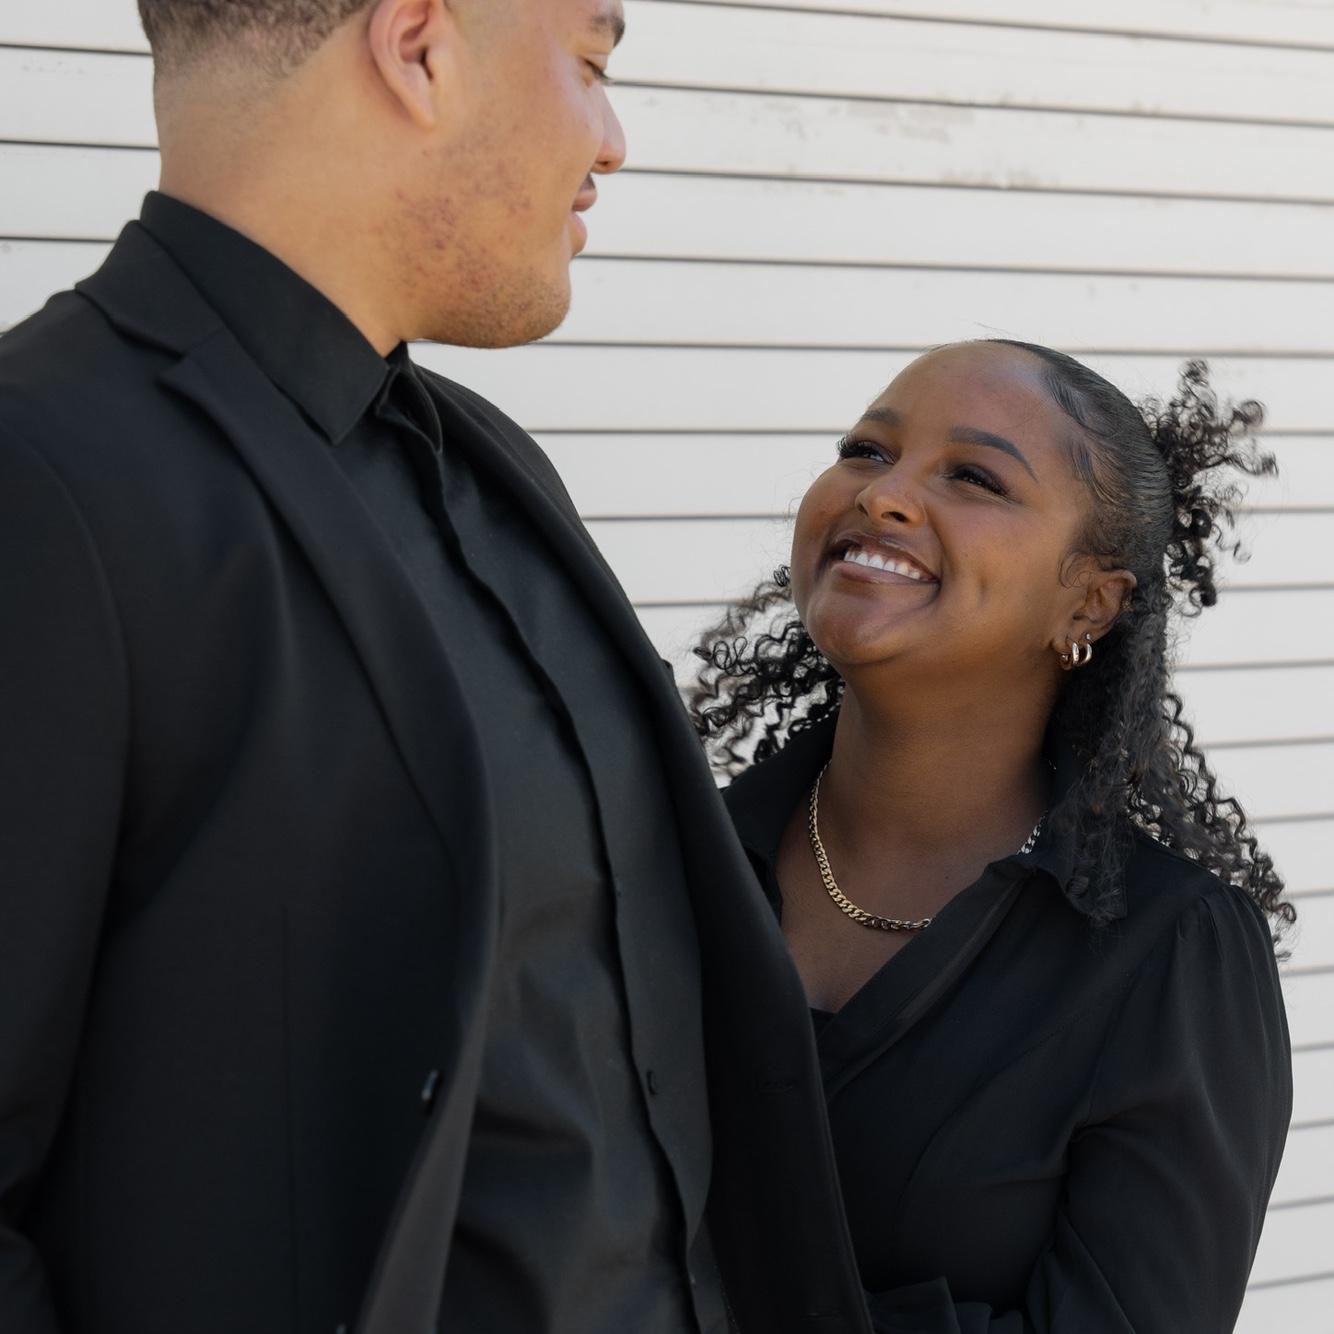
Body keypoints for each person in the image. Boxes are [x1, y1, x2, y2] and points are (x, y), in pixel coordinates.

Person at [0, 2, 874, 1332]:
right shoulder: (40, 476)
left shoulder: (491, 463)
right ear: (417, 47)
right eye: (589, 63)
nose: (612, 139)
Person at [690, 341, 1293, 1334]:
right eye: (865, 450)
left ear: (1088, 602)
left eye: (972, 476)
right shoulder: (657, 860)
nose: (883, 495)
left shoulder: (1164, 954)